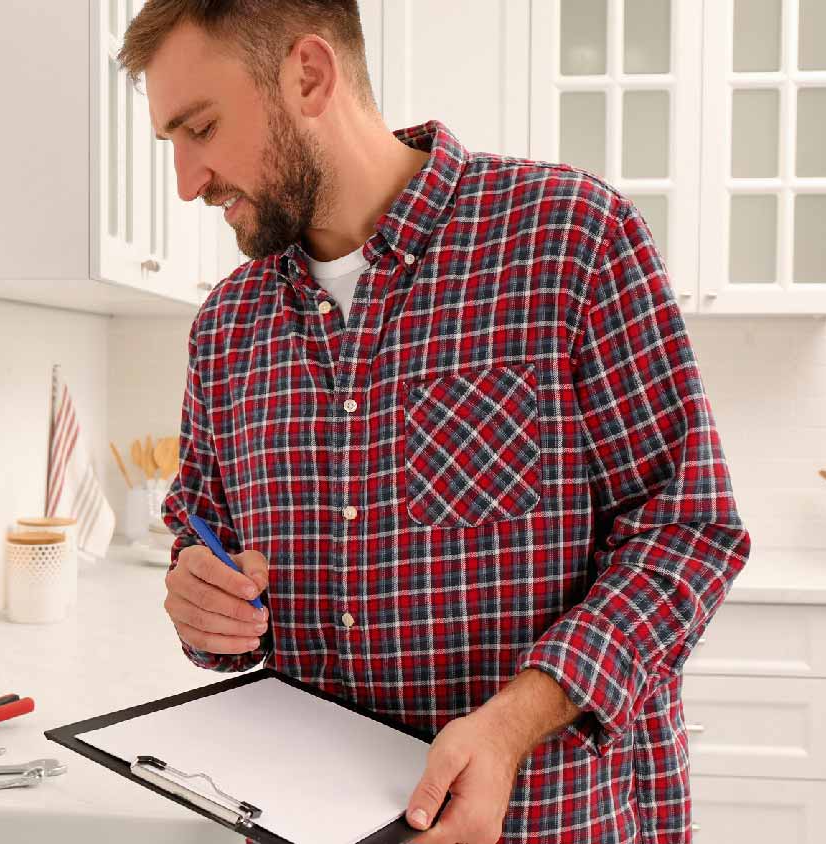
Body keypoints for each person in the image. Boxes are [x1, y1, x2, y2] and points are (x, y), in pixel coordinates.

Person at [121, 2, 751, 842]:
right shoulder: (228, 327)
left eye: (201, 127)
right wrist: (201, 606)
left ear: (309, 75)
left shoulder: (570, 239)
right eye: (172, 144)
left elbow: (688, 528)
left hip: (553, 822)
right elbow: (202, 541)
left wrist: (510, 725)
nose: (187, 181)